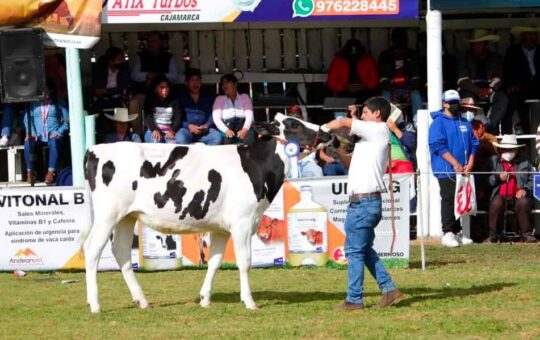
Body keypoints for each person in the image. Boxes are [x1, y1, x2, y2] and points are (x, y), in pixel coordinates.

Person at [322, 97, 403, 311]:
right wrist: (339, 151)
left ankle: (354, 299)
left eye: (366, 112)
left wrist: (322, 129)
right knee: (363, 249)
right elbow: (351, 165)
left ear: (377, 114)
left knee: (354, 251)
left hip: (364, 202)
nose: (363, 116)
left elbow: (343, 122)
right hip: (365, 202)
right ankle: (389, 289)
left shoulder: (379, 130)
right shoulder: (370, 140)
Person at [429, 90, 478, 247]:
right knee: (449, 198)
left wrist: (470, 162)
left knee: (462, 199)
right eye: (452, 102)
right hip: (445, 169)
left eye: (457, 102)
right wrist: (455, 163)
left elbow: (474, 143)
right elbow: (437, 145)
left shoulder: (465, 122)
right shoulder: (438, 123)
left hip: (463, 169)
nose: (455, 105)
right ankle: (448, 232)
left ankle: (458, 232)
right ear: (444, 103)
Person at [487, 135, 537, 243]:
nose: (508, 151)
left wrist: (526, 189)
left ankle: (526, 234)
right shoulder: (493, 161)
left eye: (511, 149)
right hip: (499, 194)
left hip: (518, 194)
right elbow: (486, 180)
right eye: (506, 149)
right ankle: (493, 236)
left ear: (516, 149)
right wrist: (498, 177)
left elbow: (533, 178)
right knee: (496, 203)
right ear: (501, 149)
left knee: (523, 202)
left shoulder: (525, 162)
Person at [458, 29, 508, 133]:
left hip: (489, 90)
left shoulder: (495, 58)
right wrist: (478, 90)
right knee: (469, 100)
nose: (475, 46)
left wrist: (490, 89)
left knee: (502, 98)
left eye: (479, 44)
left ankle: (488, 126)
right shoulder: (463, 58)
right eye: (474, 44)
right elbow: (462, 80)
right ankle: (482, 126)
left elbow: (499, 77)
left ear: (485, 45)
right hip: (470, 90)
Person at [130, 32, 178, 136]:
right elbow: (134, 75)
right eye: (149, 41)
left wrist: (158, 76)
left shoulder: (168, 57)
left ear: (160, 43)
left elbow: (174, 76)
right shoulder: (140, 56)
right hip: (145, 92)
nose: (151, 43)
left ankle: (167, 131)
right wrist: (147, 75)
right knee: (134, 104)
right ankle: (138, 134)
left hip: (163, 93)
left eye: (154, 41)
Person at [23, 85, 69, 185]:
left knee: (54, 143)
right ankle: (30, 173)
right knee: (27, 143)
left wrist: (58, 132)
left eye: (46, 89)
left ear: (51, 90)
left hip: (52, 134)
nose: (44, 92)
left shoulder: (58, 102)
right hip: (37, 135)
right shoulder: (33, 103)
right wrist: (32, 132)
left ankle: (50, 173)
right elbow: (27, 119)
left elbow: (67, 121)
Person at [378, 28, 423, 126]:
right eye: (396, 39)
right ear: (392, 40)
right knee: (385, 97)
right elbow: (382, 78)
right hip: (390, 90)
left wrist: (409, 90)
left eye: (401, 39)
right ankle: (385, 125)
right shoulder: (385, 55)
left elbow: (417, 77)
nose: (399, 42)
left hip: (409, 89)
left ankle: (418, 125)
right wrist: (392, 90)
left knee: (416, 95)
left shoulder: (412, 54)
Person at [504, 26, 540, 134]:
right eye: (529, 35)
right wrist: (511, 84)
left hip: (538, 85)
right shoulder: (513, 51)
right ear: (523, 36)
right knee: (513, 99)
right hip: (521, 86)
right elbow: (507, 71)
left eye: (534, 35)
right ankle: (517, 130)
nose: (532, 38)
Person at [176, 68, 222, 145]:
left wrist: (207, 125)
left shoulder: (208, 96)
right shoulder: (181, 97)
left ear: (201, 82)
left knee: (217, 137)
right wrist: (189, 126)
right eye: (192, 80)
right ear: (186, 83)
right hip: (187, 130)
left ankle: (207, 157)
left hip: (205, 131)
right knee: (180, 138)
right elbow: (177, 117)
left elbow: (213, 113)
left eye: (197, 80)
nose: (195, 83)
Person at [212, 73, 255, 145]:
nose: (224, 85)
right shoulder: (219, 99)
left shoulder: (244, 97)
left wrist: (244, 130)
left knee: (249, 139)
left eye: (227, 82)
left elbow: (249, 116)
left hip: (243, 126)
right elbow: (216, 118)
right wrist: (226, 130)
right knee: (226, 141)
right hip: (226, 127)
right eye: (223, 84)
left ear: (235, 84)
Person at [143, 75, 182, 144]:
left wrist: (172, 131)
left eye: (166, 87)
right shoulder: (150, 101)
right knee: (156, 143)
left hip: (169, 132)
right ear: (155, 89)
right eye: (162, 87)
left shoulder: (174, 101)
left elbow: (178, 117)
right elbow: (148, 118)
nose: (165, 90)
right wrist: (154, 130)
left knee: (171, 145)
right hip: (153, 131)